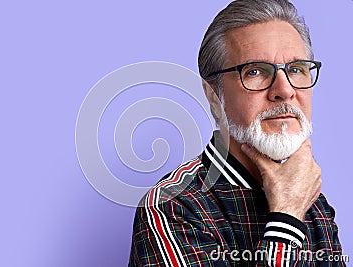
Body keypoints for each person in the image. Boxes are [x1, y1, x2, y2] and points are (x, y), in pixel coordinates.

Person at [128, 0, 345, 266]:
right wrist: (286, 217)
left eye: (296, 69)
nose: (285, 90)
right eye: (255, 72)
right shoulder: (173, 206)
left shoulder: (312, 201)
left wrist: (294, 202)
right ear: (213, 96)